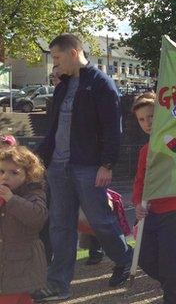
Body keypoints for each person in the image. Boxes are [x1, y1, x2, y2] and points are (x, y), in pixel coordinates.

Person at [34, 34, 133, 301]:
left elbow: (114, 129)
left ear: (74, 52)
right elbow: (54, 129)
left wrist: (107, 164)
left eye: (56, 57)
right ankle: (58, 284)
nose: (54, 63)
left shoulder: (102, 84)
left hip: (89, 167)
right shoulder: (62, 86)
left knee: (100, 221)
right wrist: (38, 159)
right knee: (60, 225)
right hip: (58, 167)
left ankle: (125, 259)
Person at [130, 92, 176, 303]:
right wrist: (138, 204)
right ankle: (175, 282)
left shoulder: (174, 141)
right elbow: (140, 181)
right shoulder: (144, 151)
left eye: (150, 116)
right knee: (144, 256)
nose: (147, 123)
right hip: (152, 211)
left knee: (170, 261)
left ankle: (175, 295)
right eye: (141, 119)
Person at [0, 146, 47, 304]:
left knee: (9, 297)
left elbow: (37, 217)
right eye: (2, 172)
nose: (5, 177)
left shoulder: (34, 193)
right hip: (7, 261)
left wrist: (12, 200)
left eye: (14, 173)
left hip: (24, 261)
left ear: (28, 175)